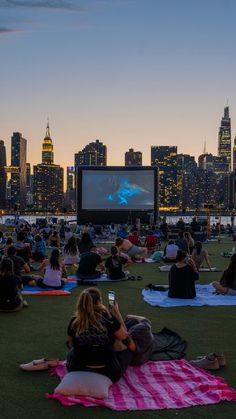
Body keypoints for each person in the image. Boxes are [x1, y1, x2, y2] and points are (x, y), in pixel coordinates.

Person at [66, 287, 136, 382]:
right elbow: (125, 337)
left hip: (77, 369)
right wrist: (116, 311)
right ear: (99, 302)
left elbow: (71, 345)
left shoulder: (74, 321)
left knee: (72, 352)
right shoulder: (109, 319)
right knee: (126, 350)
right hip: (109, 373)